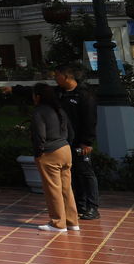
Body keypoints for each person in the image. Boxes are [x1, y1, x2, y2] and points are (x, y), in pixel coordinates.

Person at [54, 63, 100, 220]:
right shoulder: (59, 93)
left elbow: (90, 120)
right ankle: (79, 206)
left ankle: (92, 207)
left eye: (57, 75)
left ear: (67, 76)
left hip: (81, 142)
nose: (55, 78)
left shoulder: (84, 95)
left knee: (86, 172)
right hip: (65, 141)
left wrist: (87, 142)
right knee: (73, 173)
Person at [31, 83, 79, 232]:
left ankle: (58, 222)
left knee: (53, 188)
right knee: (66, 188)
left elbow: (39, 135)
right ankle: (72, 222)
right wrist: (66, 145)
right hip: (65, 150)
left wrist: (39, 152)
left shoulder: (39, 111)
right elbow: (71, 132)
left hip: (50, 152)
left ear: (38, 97)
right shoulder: (59, 110)